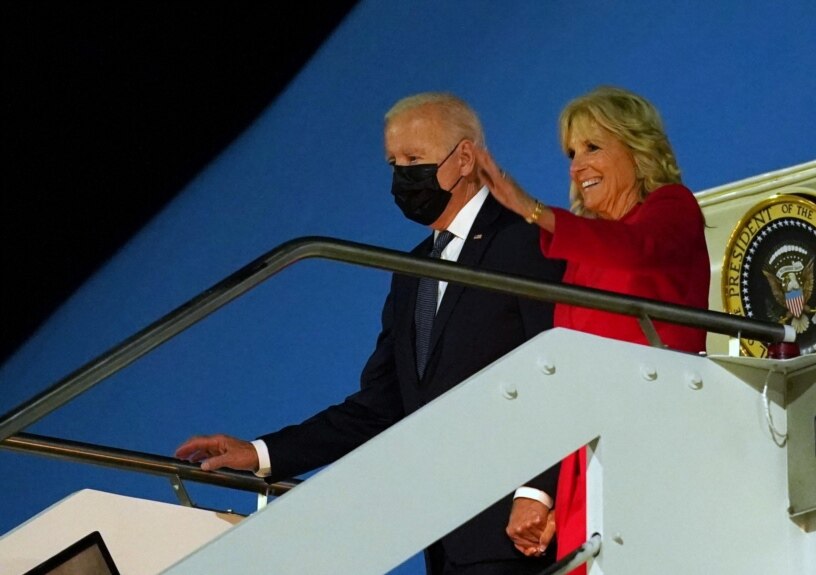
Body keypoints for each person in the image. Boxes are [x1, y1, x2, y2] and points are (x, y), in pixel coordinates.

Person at [175, 92, 565, 575]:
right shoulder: (411, 270)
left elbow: (563, 368)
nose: (402, 176)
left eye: (414, 159)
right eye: (393, 162)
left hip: (525, 530)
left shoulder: (529, 240)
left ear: (464, 157)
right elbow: (382, 403)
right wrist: (259, 453)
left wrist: (538, 490)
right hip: (449, 540)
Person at [476, 86, 710, 569]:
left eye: (593, 147)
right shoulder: (578, 261)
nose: (576, 166)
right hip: (589, 461)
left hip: (655, 441)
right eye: (570, 153)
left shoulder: (672, 207)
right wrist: (548, 497)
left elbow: (636, 251)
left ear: (638, 149)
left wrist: (533, 211)